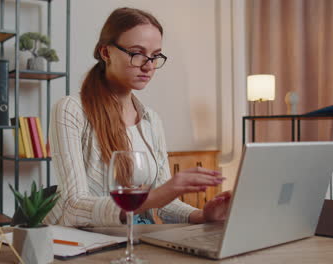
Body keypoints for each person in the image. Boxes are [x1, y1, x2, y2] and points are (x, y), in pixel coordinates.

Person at [45, 7, 231, 227]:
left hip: (137, 239)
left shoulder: (151, 120)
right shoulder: (71, 110)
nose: (149, 66)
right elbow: (72, 206)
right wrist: (161, 193)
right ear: (106, 53)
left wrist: (203, 216)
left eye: (155, 56)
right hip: (85, 244)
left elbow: (163, 204)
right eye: (137, 53)